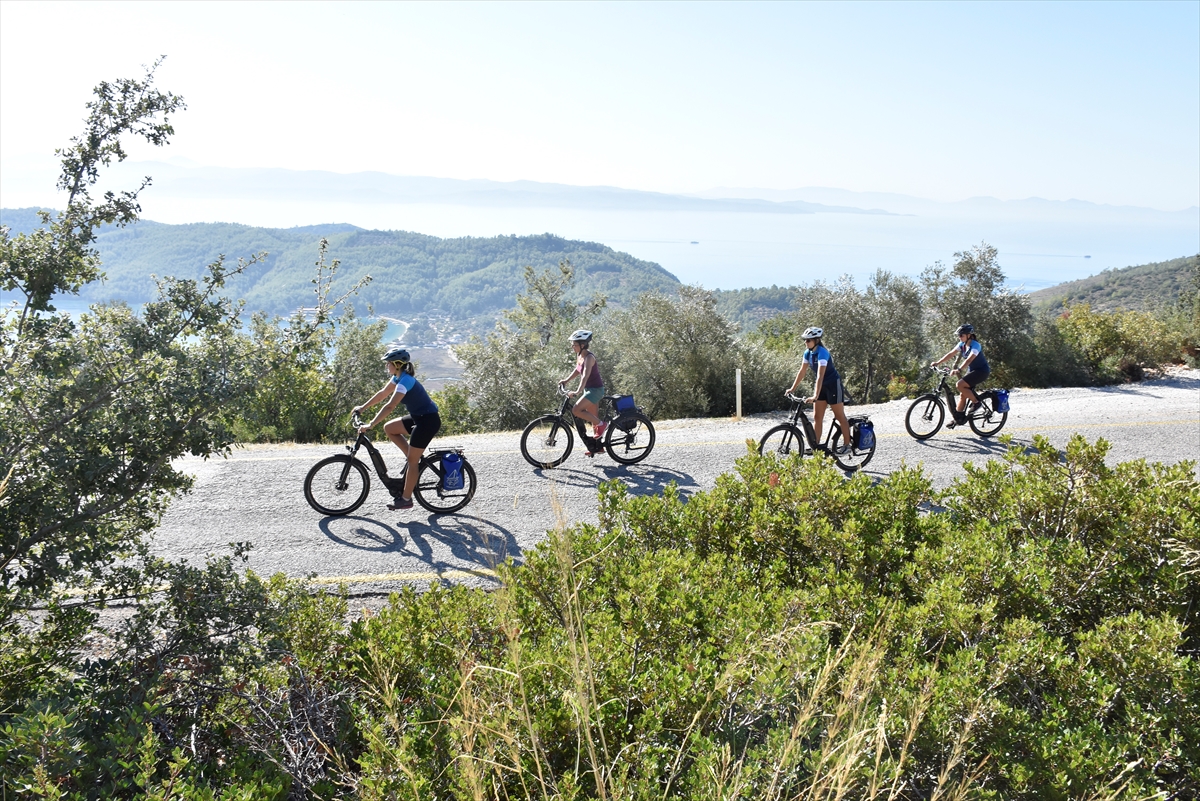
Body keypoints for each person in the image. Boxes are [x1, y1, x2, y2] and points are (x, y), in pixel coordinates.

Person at [354, 346, 441, 510]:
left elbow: (390, 406)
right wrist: (362, 408)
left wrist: (371, 425)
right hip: (419, 417)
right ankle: (413, 458)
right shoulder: (398, 378)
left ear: (397, 364)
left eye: (388, 363)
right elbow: (382, 393)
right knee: (389, 428)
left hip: (428, 421)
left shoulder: (405, 381)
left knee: (412, 461)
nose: (386, 366)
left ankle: (406, 499)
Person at [786, 326, 852, 453]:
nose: (806, 343)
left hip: (833, 386)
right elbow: (802, 371)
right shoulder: (808, 353)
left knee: (839, 416)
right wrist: (792, 388)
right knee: (817, 417)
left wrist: (815, 395)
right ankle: (815, 446)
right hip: (822, 387)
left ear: (816, 340)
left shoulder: (822, 353)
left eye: (808, 340)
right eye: (805, 340)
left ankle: (847, 445)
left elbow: (820, 376)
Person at [931, 323, 990, 428]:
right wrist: (937, 363)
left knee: (959, 385)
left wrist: (959, 369)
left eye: (961, 335)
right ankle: (958, 418)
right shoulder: (961, 344)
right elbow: (950, 354)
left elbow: (969, 359)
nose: (959, 337)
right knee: (963, 393)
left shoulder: (976, 345)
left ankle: (976, 402)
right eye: (959, 335)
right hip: (972, 370)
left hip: (982, 371)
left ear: (969, 335)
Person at [559, 329, 606, 454]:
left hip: (596, 391)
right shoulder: (580, 355)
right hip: (589, 390)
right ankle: (597, 447)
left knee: (576, 410)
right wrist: (566, 380)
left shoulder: (589, 357)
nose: (572, 346)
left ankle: (603, 425)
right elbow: (578, 370)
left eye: (574, 344)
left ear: (582, 345)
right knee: (593, 420)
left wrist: (578, 391)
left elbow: (585, 375)